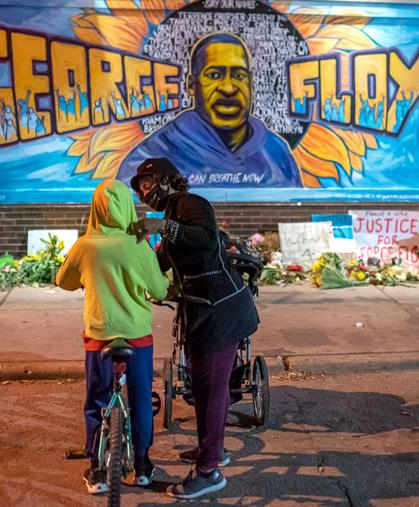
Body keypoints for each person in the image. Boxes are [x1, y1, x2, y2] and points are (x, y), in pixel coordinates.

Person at [130, 157, 260, 500]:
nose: (145, 191)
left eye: (148, 182)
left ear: (167, 179)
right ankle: (210, 451)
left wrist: (163, 229)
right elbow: (161, 261)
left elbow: (204, 239)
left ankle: (209, 471)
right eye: (141, 188)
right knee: (201, 388)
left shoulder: (191, 203)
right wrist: (133, 263)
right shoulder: (171, 211)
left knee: (212, 391)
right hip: (199, 310)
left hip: (221, 310)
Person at [56, 179, 169, 495]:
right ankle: (143, 465)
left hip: (99, 337)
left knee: (96, 399)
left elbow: (63, 280)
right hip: (137, 336)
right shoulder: (137, 244)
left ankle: (96, 468)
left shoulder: (85, 246)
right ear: (127, 207)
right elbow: (160, 289)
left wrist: (86, 280)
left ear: (95, 207)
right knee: (141, 398)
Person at [117, 33, 300, 188]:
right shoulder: (149, 157)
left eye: (239, 76)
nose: (228, 88)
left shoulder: (277, 153)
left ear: (251, 83)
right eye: (214, 75)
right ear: (191, 85)